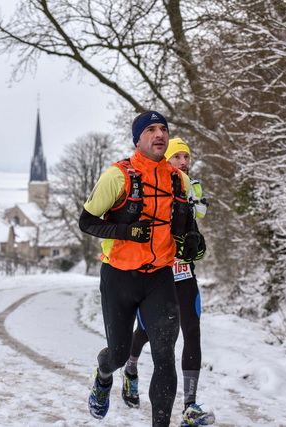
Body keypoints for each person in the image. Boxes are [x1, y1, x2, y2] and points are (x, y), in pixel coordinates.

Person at [79, 111, 204, 427]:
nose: (159, 134)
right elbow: (87, 221)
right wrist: (126, 232)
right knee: (119, 354)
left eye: (163, 128)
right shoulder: (118, 176)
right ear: (138, 139)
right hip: (119, 276)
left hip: (159, 277)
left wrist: (193, 240)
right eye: (151, 129)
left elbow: (188, 221)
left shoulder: (179, 179)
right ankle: (105, 374)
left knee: (165, 356)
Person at [121, 138, 214, 427]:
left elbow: (195, 228)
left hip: (183, 273)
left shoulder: (190, 189)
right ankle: (131, 370)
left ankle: (190, 405)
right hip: (155, 274)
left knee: (192, 331)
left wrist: (196, 244)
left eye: (187, 156)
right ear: (165, 160)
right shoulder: (150, 188)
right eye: (178, 157)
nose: (184, 162)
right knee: (147, 331)